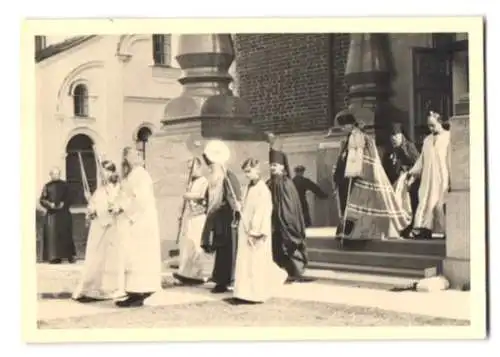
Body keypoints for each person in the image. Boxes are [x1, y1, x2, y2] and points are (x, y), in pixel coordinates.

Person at [332, 110, 411, 240]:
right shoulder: (348, 139)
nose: (342, 129)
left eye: (343, 126)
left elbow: (367, 159)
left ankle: (357, 232)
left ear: (350, 125)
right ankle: (347, 233)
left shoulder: (362, 138)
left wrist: (356, 171)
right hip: (347, 178)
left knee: (357, 206)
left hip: (359, 177)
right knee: (348, 206)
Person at [111, 147, 162, 307]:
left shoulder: (141, 175)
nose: (136, 156)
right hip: (131, 219)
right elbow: (123, 195)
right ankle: (132, 291)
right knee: (130, 255)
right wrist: (116, 204)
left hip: (141, 221)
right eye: (132, 154)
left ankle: (140, 290)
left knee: (139, 256)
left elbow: (141, 200)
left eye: (137, 154)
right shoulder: (129, 175)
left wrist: (123, 207)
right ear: (126, 157)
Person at [232, 158, 288, 304]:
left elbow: (263, 211)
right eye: (245, 172)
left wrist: (255, 231)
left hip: (256, 231)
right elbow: (245, 207)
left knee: (256, 262)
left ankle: (256, 293)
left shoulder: (263, 190)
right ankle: (243, 292)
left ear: (257, 170)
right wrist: (238, 207)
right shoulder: (247, 188)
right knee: (245, 261)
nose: (247, 175)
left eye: (249, 171)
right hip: (245, 229)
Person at [72, 160, 126, 303]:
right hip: (98, 228)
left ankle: (112, 288)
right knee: (95, 256)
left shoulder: (119, 188)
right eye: (101, 172)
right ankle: (91, 287)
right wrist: (90, 209)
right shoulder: (100, 190)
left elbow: (120, 205)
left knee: (111, 258)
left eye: (106, 171)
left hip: (112, 228)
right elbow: (93, 207)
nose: (103, 175)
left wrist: (113, 207)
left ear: (113, 172)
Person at [200, 140, 242, 293]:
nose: (211, 169)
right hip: (219, 220)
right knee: (220, 250)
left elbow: (235, 197)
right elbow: (210, 196)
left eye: (213, 166)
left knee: (228, 250)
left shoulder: (229, 177)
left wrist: (234, 208)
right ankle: (219, 278)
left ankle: (226, 280)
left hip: (228, 220)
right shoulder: (216, 179)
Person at [267, 142, 309, 283]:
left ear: (282, 167)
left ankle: (296, 272)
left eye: (275, 165)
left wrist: (284, 219)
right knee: (276, 247)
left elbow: (289, 206)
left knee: (290, 244)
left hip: (286, 221)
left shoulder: (286, 184)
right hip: (274, 222)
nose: (272, 168)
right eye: (271, 165)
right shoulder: (270, 182)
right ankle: (282, 272)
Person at [406, 111, 451, 240]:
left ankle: (444, 230)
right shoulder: (427, 140)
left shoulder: (448, 137)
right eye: (428, 126)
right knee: (425, 199)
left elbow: (451, 158)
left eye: (433, 125)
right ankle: (423, 229)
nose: (430, 128)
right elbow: (422, 160)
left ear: (440, 122)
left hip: (441, 176)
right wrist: (412, 173)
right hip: (427, 176)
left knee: (439, 203)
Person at [173, 157, 211, 285]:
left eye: (192, 168)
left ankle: (197, 275)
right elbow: (183, 200)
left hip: (199, 216)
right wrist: (180, 214)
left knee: (196, 245)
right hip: (190, 216)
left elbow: (202, 196)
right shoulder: (190, 182)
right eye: (188, 168)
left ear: (199, 167)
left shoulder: (204, 181)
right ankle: (185, 273)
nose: (190, 171)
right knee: (187, 245)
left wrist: (189, 195)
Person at [382, 120, 421, 237]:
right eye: (391, 136)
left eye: (396, 135)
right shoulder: (389, 150)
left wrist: (408, 174)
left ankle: (408, 227)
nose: (393, 138)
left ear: (401, 135)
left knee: (406, 205)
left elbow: (418, 164)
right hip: (394, 183)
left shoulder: (409, 147)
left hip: (408, 182)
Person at [39, 167, 76, 264]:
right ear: (50, 175)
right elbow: (42, 199)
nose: (56, 175)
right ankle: (54, 257)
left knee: (66, 235)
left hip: (64, 214)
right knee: (53, 236)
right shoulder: (47, 186)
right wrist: (49, 204)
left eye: (57, 173)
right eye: (54, 174)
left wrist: (64, 203)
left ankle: (70, 256)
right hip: (52, 215)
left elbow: (71, 197)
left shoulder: (65, 185)